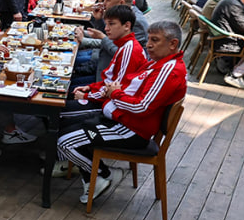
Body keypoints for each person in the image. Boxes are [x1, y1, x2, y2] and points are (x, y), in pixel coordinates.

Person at [54, 20, 187, 203]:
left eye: (155, 40)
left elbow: (141, 107)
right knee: (63, 123)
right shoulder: (156, 64)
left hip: (131, 130)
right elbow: (126, 86)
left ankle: (100, 174)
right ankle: (90, 174)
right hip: (120, 118)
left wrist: (115, 94)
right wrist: (103, 92)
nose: (148, 44)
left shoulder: (169, 70)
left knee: (64, 142)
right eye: (149, 39)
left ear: (173, 44)